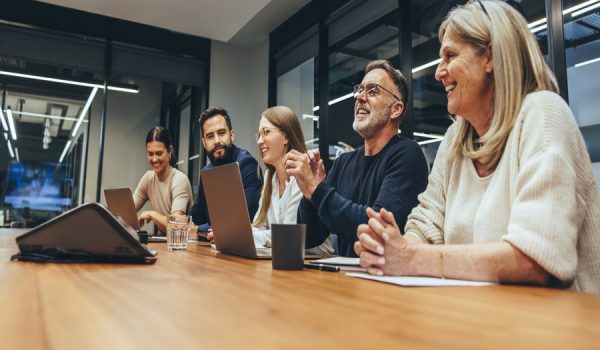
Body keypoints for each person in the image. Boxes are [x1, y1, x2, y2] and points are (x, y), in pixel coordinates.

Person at [355, 0, 600, 293]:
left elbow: (536, 259)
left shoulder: (542, 113)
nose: (438, 72)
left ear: (490, 57)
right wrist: (390, 247)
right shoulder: (455, 138)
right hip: (479, 319)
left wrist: (410, 257)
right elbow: (425, 227)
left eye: (450, 55)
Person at [285, 60, 429, 256]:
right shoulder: (344, 162)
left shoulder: (407, 154)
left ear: (396, 109)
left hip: (384, 280)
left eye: (372, 91)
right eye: (360, 90)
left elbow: (377, 230)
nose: (360, 97)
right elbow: (310, 237)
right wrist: (309, 193)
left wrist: (316, 189)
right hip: (346, 279)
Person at [251, 106, 333, 255]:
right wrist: (237, 234)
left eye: (266, 132)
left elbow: (289, 234)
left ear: (286, 137)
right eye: (259, 135)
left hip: (314, 261)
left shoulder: (302, 173)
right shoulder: (270, 176)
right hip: (284, 256)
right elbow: (260, 224)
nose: (260, 141)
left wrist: (251, 236)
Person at [189, 106, 263, 233]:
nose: (217, 141)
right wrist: (184, 223)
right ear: (204, 143)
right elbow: (197, 214)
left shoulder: (247, 164)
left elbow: (243, 220)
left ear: (231, 135)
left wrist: (197, 229)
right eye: (210, 136)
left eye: (221, 133)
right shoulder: (207, 171)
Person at [134, 126, 193, 233]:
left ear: (170, 151)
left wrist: (152, 214)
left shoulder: (180, 180)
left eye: (159, 153)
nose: (154, 159)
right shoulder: (148, 178)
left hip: (186, 243)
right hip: (166, 240)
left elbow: (176, 224)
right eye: (150, 154)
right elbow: (128, 211)